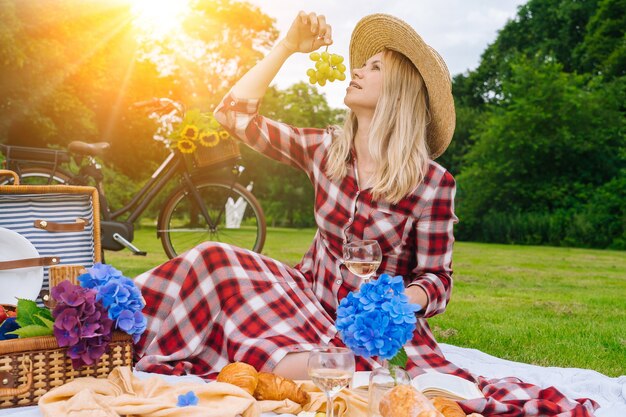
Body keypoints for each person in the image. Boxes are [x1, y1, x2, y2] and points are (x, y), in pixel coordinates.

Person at [134, 12, 597, 417]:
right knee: (215, 256)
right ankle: (115, 324)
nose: (357, 71)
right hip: (304, 298)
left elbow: (437, 280)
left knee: (321, 370)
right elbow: (232, 115)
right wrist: (287, 46)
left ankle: (314, 364)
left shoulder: (433, 183)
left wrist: (399, 305)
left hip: (371, 330)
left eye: (374, 68)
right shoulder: (325, 150)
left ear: (397, 93)